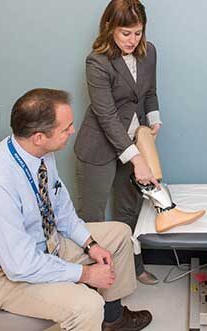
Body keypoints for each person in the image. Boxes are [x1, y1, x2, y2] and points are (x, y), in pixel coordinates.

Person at [0, 88, 152, 331]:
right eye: (66, 127)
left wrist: (91, 244)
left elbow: (62, 211)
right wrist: (85, 274)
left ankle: (112, 321)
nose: (72, 130)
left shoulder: (40, 154)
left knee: (120, 235)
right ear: (39, 136)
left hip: (46, 245)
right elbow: (20, 266)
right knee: (88, 304)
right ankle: (95, 315)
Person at [74, 0, 159, 285]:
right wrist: (137, 159)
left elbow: (149, 93)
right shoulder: (96, 62)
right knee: (92, 218)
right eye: (126, 33)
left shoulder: (149, 54)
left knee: (128, 212)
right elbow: (107, 115)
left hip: (132, 140)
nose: (132, 40)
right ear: (110, 28)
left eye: (138, 33)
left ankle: (132, 270)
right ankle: (93, 284)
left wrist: (153, 118)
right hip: (98, 146)